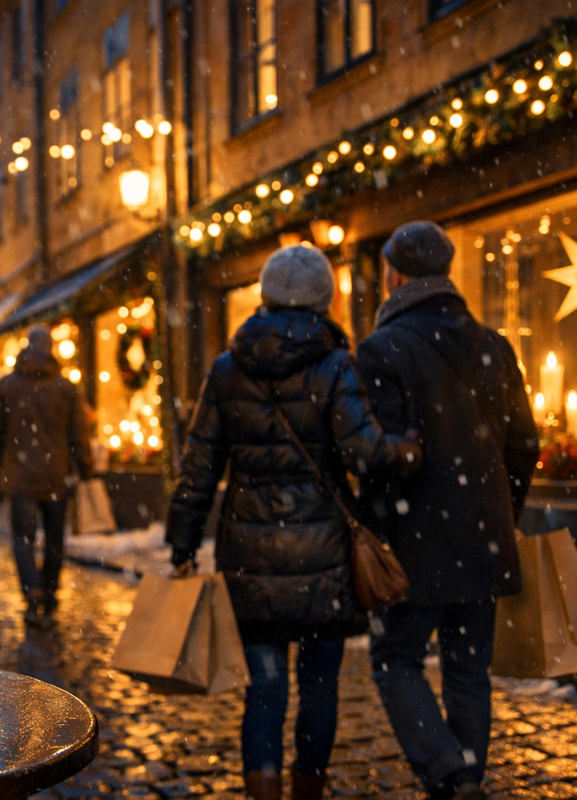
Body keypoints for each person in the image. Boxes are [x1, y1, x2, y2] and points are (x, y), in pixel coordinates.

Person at [165, 245, 422, 800]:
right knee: (319, 686)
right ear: (323, 300)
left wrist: (181, 541)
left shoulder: (228, 370)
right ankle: (308, 789)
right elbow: (365, 454)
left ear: (265, 295)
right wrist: (407, 449)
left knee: (264, 690)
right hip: (323, 557)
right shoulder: (334, 365)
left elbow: (199, 466)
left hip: (249, 559)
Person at [355, 222, 539, 800]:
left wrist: (379, 527)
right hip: (482, 537)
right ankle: (464, 776)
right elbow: (524, 444)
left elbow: (380, 456)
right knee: (467, 669)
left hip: (412, 540)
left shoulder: (383, 348)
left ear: (395, 273)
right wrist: (501, 511)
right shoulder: (494, 345)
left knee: (395, 659)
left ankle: (450, 773)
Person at [0, 326, 92, 627]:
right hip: (56, 474)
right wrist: (84, 468)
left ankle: (32, 591)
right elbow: (78, 434)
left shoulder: (7, 385)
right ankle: (48, 592)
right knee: (54, 540)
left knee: (23, 539)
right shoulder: (65, 388)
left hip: (19, 475)